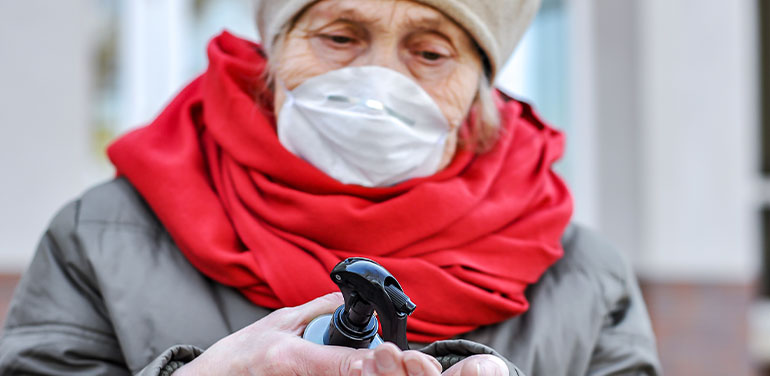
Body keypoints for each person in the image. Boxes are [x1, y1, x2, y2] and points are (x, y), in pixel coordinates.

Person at [0, 0, 662, 375]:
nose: (379, 80)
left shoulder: (584, 280)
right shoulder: (102, 237)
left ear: (482, 91)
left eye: (431, 53)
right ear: (274, 51)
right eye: (341, 36)